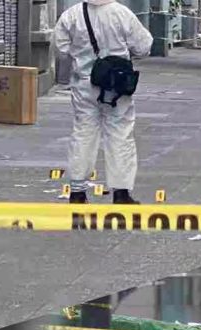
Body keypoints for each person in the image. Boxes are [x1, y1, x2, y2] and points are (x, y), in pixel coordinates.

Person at [54, 0, 153, 204]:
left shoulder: (71, 15)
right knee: (120, 134)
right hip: (116, 84)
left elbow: (60, 49)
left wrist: (81, 55)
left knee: (83, 133)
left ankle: (78, 191)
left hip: (84, 83)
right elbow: (144, 46)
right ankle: (121, 192)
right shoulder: (121, 13)